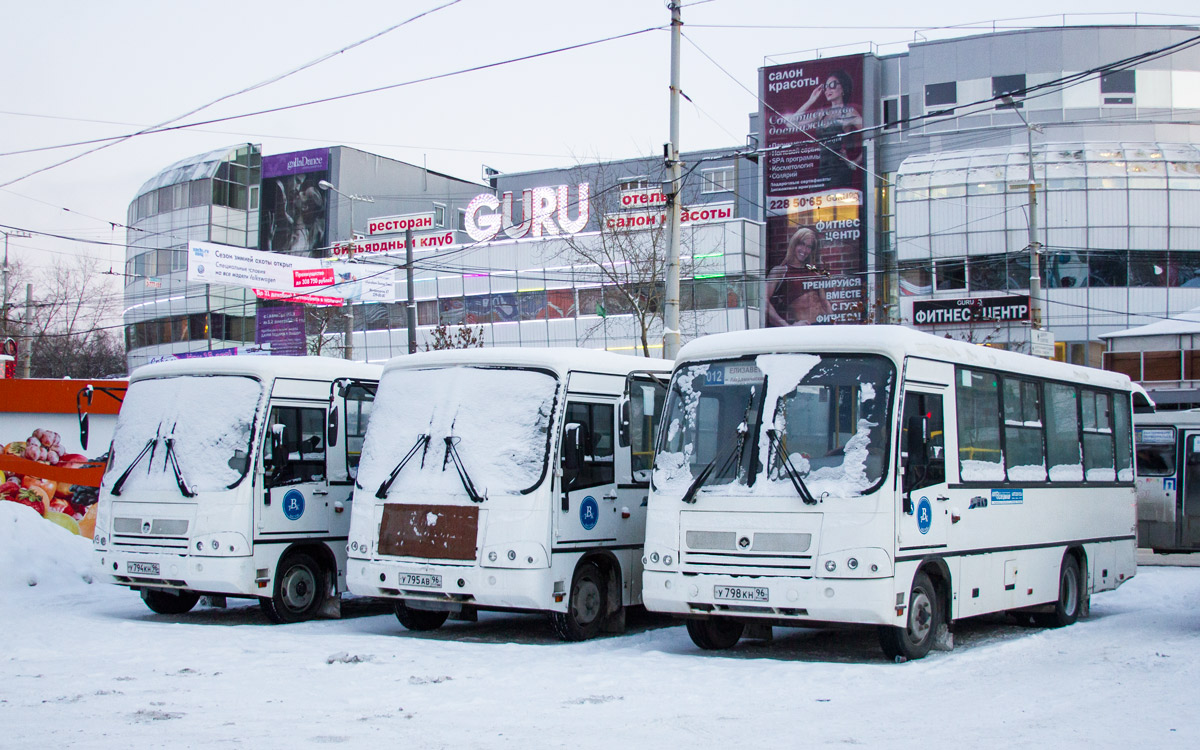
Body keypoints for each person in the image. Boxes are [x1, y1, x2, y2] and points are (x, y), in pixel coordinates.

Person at [786, 70, 864, 189]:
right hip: (822, 172)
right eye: (826, 87)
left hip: (840, 171)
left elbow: (871, 137)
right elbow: (790, 124)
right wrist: (811, 100)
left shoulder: (849, 112)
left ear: (843, 88)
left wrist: (855, 162)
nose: (828, 90)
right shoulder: (821, 113)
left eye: (832, 85)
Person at [765, 227, 832, 326]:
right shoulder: (781, 271)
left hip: (825, 324)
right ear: (794, 244)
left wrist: (833, 322)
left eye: (809, 247)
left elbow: (824, 301)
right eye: (801, 244)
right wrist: (787, 326)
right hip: (806, 327)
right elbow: (762, 300)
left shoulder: (814, 271)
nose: (804, 250)